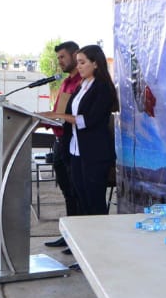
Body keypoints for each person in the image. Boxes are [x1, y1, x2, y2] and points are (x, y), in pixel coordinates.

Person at [44, 44, 118, 218]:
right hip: (75, 151)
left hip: (94, 153)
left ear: (96, 64)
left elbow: (88, 120)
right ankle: (78, 242)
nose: (78, 67)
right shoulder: (82, 85)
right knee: (80, 200)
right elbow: (70, 114)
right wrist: (49, 117)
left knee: (94, 204)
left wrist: (57, 115)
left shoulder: (102, 88)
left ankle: (98, 243)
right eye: (77, 62)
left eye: (82, 62)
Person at [45, 41, 84, 251]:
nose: (60, 61)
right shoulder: (66, 82)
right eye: (58, 58)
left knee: (76, 190)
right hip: (59, 142)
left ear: (74, 55)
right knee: (67, 191)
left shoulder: (82, 83)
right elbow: (58, 111)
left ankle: (77, 238)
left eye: (62, 57)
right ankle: (68, 234)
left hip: (73, 142)